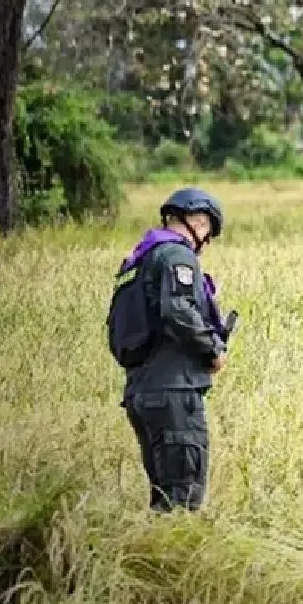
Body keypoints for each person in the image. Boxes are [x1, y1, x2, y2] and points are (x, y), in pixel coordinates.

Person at [107, 188, 235, 511]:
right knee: (182, 501)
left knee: (164, 498)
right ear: (198, 222)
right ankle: (172, 563)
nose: (206, 240)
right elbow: (178, 310)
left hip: (143, 392)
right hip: (173, 393)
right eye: (208, 230)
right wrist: (212, 351)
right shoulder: (177, 256)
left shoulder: (141, 259)